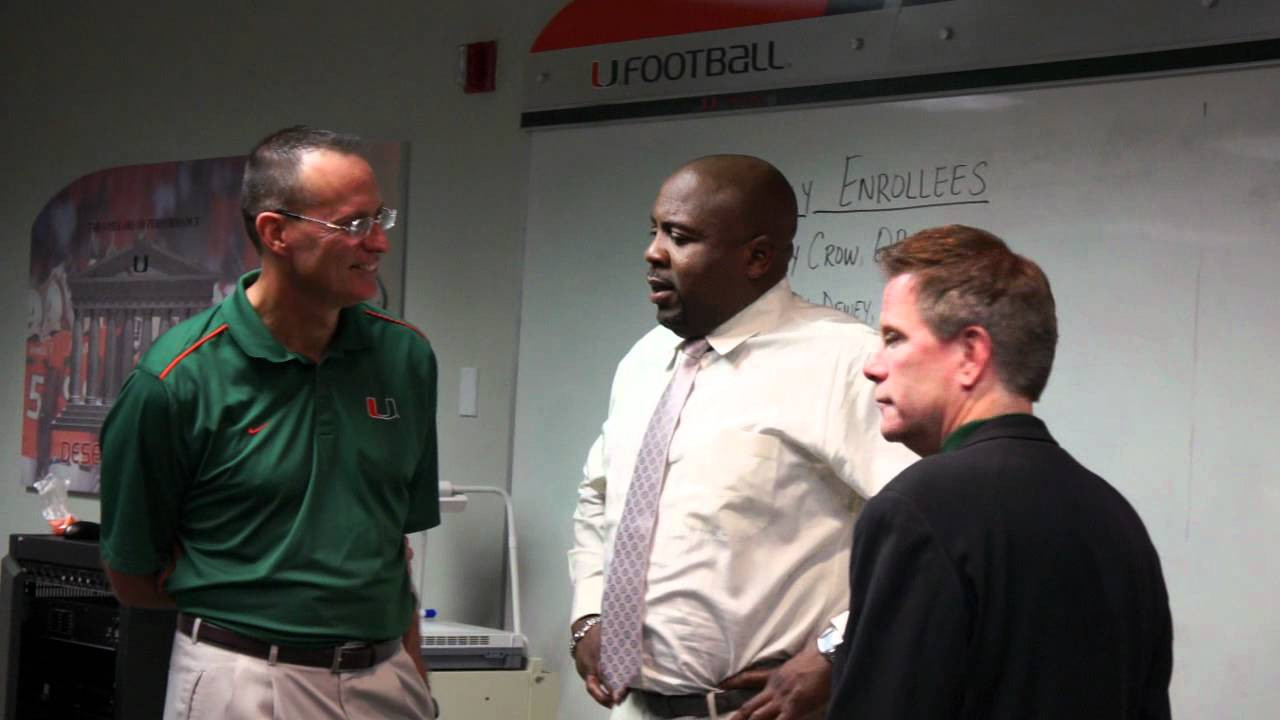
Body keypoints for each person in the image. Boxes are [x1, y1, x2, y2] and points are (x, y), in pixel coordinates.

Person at [99, 126, 439, 719]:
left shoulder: (405, 357)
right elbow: (131, 574)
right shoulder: (175, 379)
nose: (379, 242)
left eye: (381, 217)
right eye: (353, 224)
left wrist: (412, 672)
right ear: (275, 232)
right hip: (246, 678)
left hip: (384, 676)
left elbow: (393, 544)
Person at [569, 154, 916, 720]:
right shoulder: (644, 360)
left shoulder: (845, 361)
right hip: (631, 707)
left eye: (679, 237)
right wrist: (587, 613)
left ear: (757, 257)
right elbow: (597, 496)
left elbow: (923, 529)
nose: (653, 252)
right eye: (654, 230)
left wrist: (838, 651)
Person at [827, 225, 1173, 719]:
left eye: (893, 338)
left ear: (971, 354)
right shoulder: (1116, 518)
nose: (872, 367)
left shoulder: (915, 511)